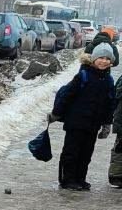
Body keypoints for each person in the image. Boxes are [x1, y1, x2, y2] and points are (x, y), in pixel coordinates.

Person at [48, 42, 117, 191]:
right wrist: (56, 113)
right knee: (71, 152)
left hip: (93, 124)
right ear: (93, 59)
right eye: (101, 58)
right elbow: (67, 96)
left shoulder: (108, 81)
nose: (104, 61)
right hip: (76, 122)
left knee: (86, 153)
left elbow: (109, 104)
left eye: (107, 58)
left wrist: (107, 124)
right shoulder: (83, 76)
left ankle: (80, 178)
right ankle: (67, 180)